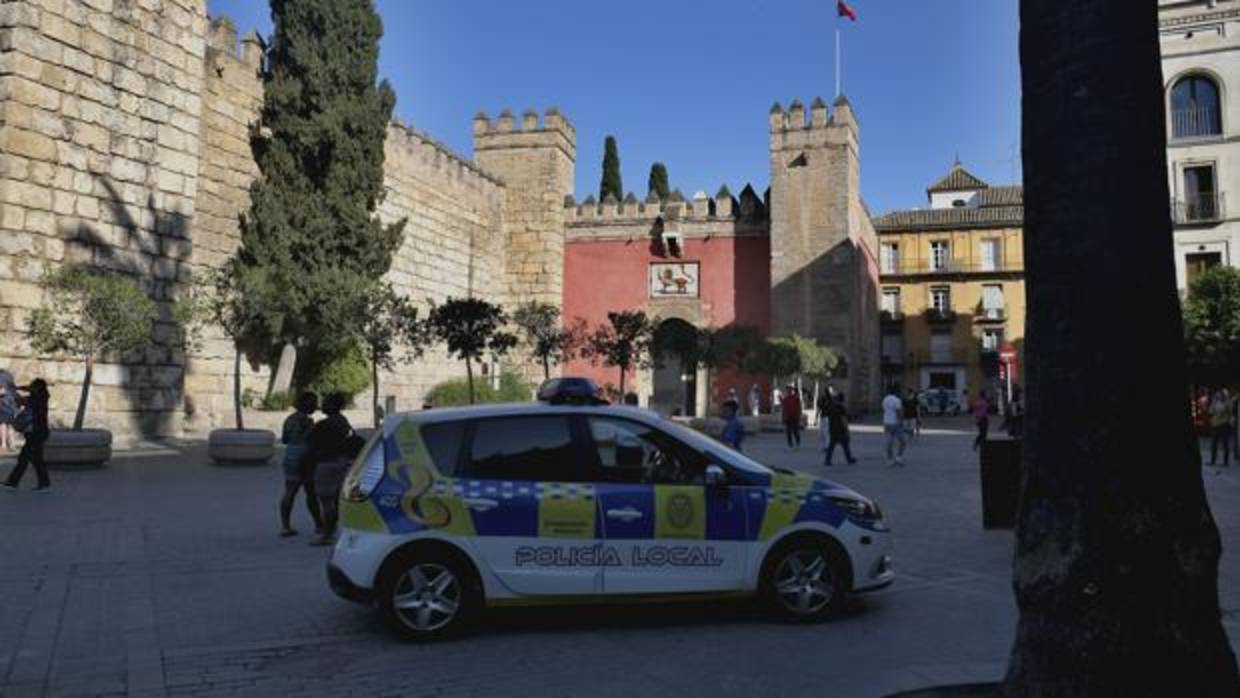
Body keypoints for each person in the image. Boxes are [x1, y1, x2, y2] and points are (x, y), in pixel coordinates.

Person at [302, 392, 358, 546]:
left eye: (326, 402)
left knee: (326, 502)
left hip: (326, 463)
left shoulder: (324, 425)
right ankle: (335, 530)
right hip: (342, 462)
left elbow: (309, 443)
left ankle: (327, 535)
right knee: (335, 500)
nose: (322, 405)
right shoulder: (343, 421)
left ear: (334, 405)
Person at [279, 392, 324, 537]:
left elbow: (285, 439)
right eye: (313, 403)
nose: (316, 407)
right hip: (305, 457)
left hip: (290, 455)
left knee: (289, 491)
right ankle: (319, 525)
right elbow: (313, 441)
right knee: (311, 493)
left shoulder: (289, 419)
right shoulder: (308, 422)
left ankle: (285, 526)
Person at [3, 379, 51, 492]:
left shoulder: (37, 399)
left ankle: (13, 482)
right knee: (35, 459)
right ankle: (44, 483)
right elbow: (27, 391)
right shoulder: (41, 397)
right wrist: (17, 388)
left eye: (33, 387)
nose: (30, 389)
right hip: (37, 433)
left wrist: (12, 391)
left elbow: (21, 400)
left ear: (37, 388)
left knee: (24, 459)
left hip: (36, 433)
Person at [823, 393, 857, 466]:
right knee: (845, 445)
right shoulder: (841, 407)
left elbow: (826, 415)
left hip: (833, 428)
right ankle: (849, 459)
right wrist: (846, 428)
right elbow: (845, 418)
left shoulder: (830, 407)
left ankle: (827, 460)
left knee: (831, 445)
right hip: (841, 429)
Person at [1208, 389, 1234, 467]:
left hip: (1224, 425)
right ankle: (1213, 461)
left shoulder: (1228, 402)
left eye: (1220, 394)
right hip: (1215, 425)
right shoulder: (1215, 402)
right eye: (1217, 394)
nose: (1218, 395)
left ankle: (1225, 462)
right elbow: (1210, 412)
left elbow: (1230, 412)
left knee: (1225, 443)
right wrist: (1213, 403)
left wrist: (1226, 402)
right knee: (1213, 444)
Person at [0, 370, 17, 452]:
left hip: (3, 404)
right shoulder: (9, 375)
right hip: (11, 404)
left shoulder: (1, 377)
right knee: (11, 425)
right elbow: (14, 390)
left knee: (3, 424)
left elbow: (2, 391)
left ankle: (4, 444)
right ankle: (13, 444)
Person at [781, 384, 803, 450]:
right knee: (788, 432)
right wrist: (783, 417)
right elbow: (784, 409)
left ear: (792, 390)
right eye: (787, 390)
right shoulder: (785, 399)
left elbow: (799, 407)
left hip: (795, 417)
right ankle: (790, 445)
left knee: (796, 431)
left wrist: (799, 415)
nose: (788, 391)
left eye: (790, 390)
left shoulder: (796, 398)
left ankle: (798, 444)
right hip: (788, 417)